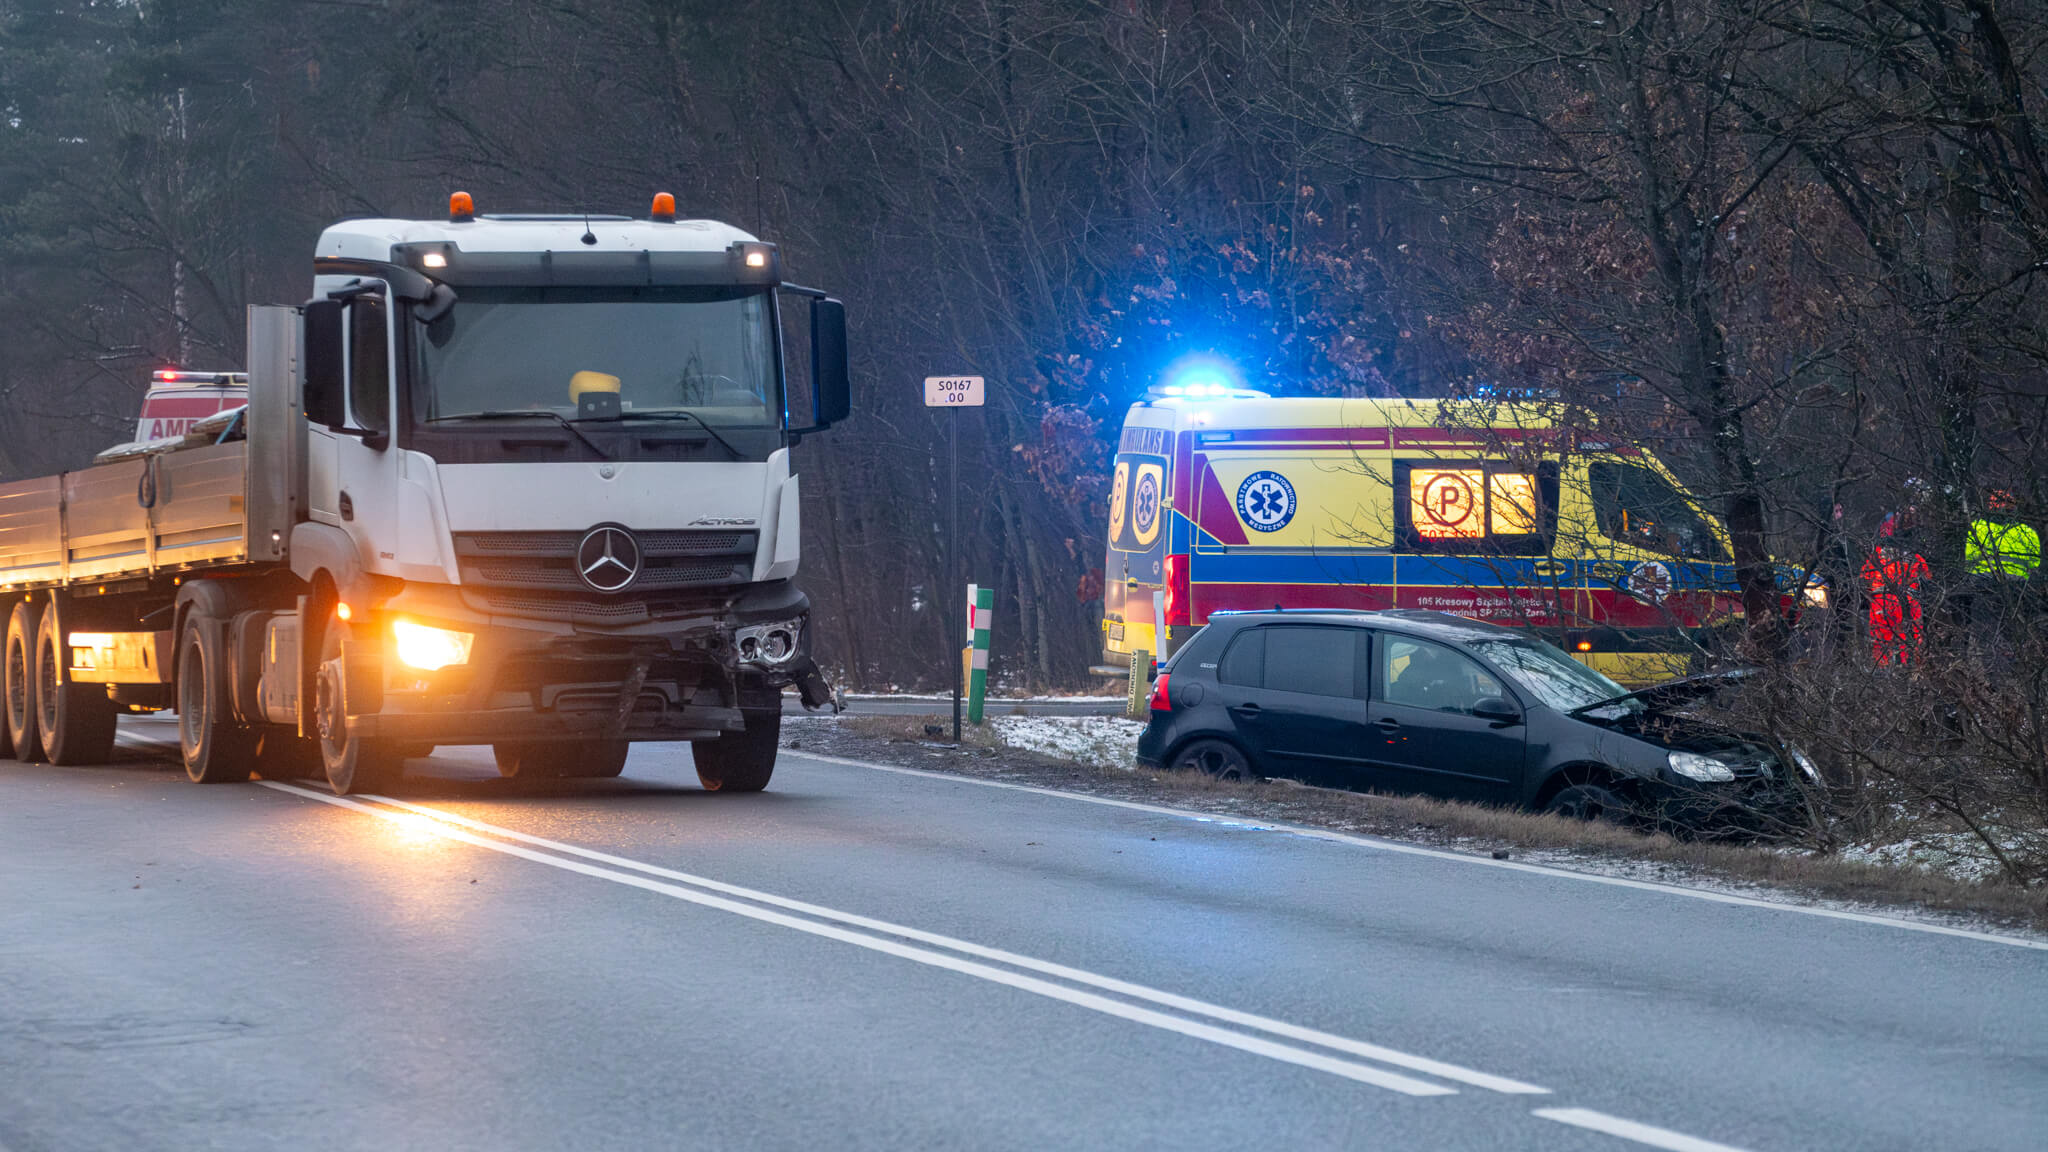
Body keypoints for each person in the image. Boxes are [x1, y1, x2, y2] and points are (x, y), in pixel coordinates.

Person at [1864, 511, 1929, 665]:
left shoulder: (1876, 556)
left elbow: (1864, 579)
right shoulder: (1914, 555)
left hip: (1881, 603)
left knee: (1881, 641)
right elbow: (1927, 578)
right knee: (1912, 639)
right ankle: (1911, 671)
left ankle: (1883, 674)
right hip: (1909, 602)